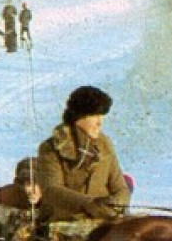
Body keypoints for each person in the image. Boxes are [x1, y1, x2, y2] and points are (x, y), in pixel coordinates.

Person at [35, 86, 131, 223]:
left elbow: (120, 187)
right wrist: (90, 204)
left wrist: (116, 205)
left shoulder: (105, 145)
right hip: (66, 224)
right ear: (78, 117)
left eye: (102, 116)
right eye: (94, 115)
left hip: (104, 221)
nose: (100, 122)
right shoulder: (51, 148)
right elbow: (52, 191)